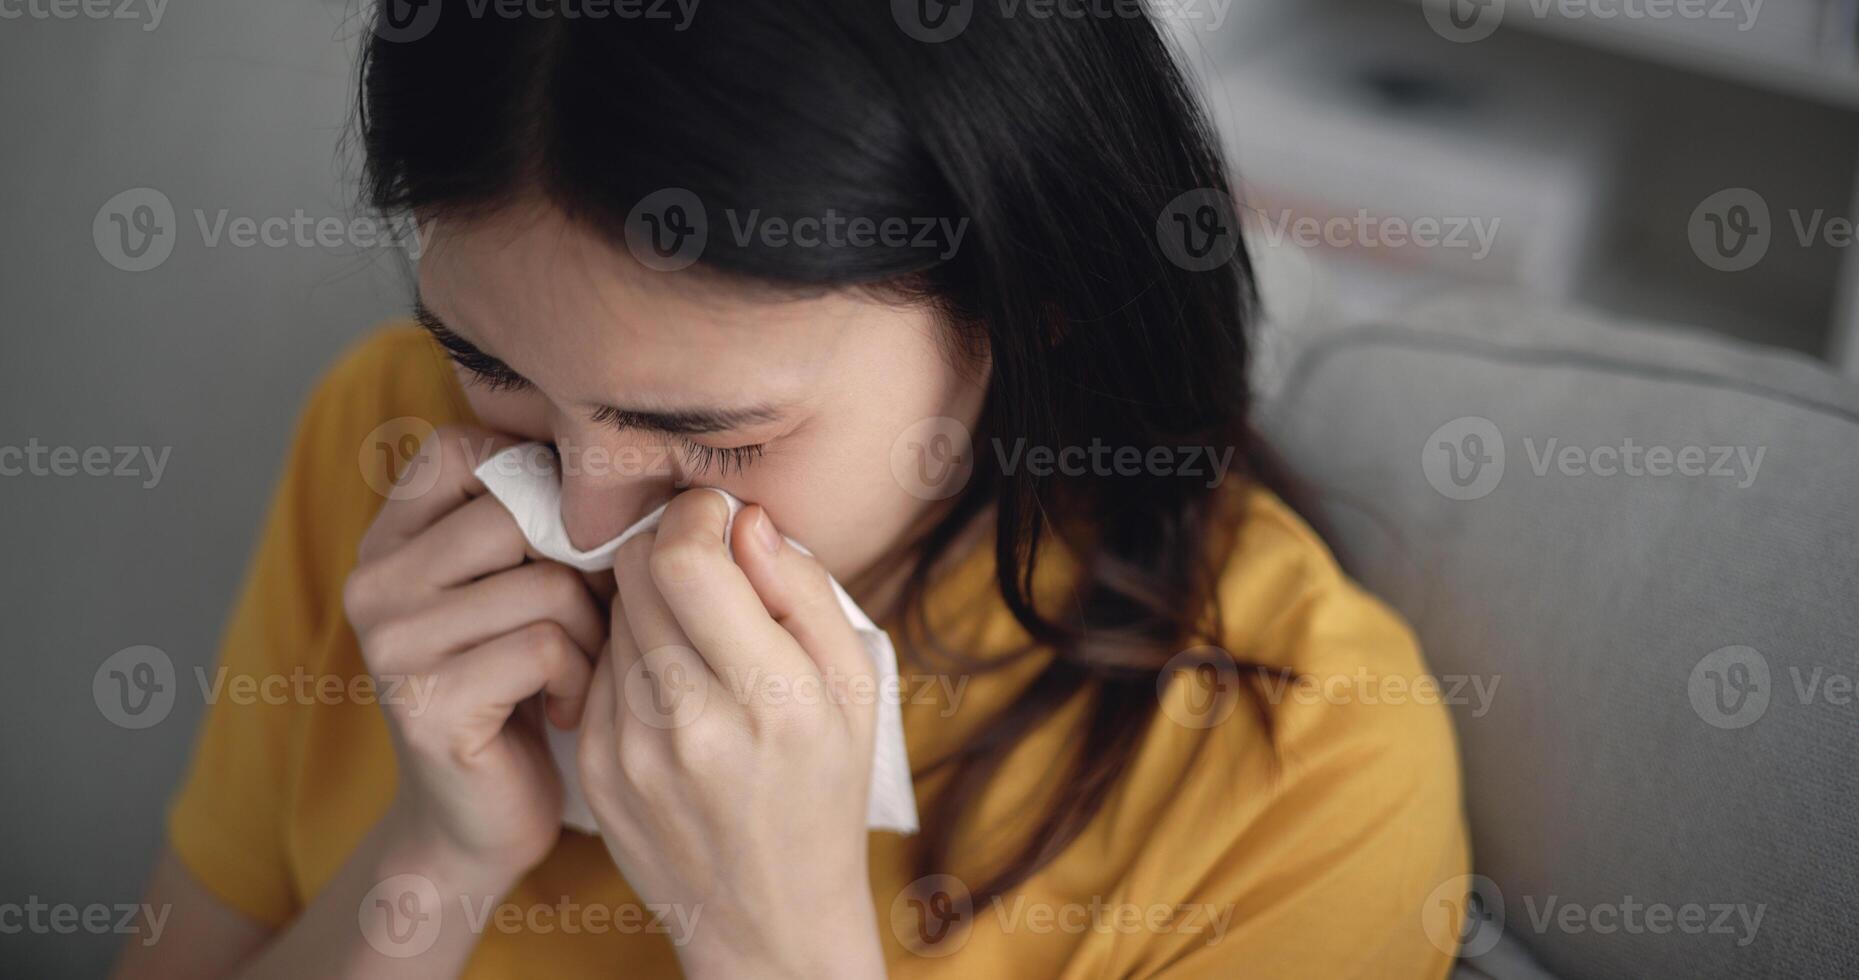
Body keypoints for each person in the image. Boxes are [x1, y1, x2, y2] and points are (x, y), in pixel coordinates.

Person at [116, 2, 1468, 976]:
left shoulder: (1304, 774)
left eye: (710, 435)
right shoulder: (388, 441)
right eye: (492, 364)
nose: (583, 522)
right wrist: (433, 855)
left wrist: (774, 941)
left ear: (1034, 315)